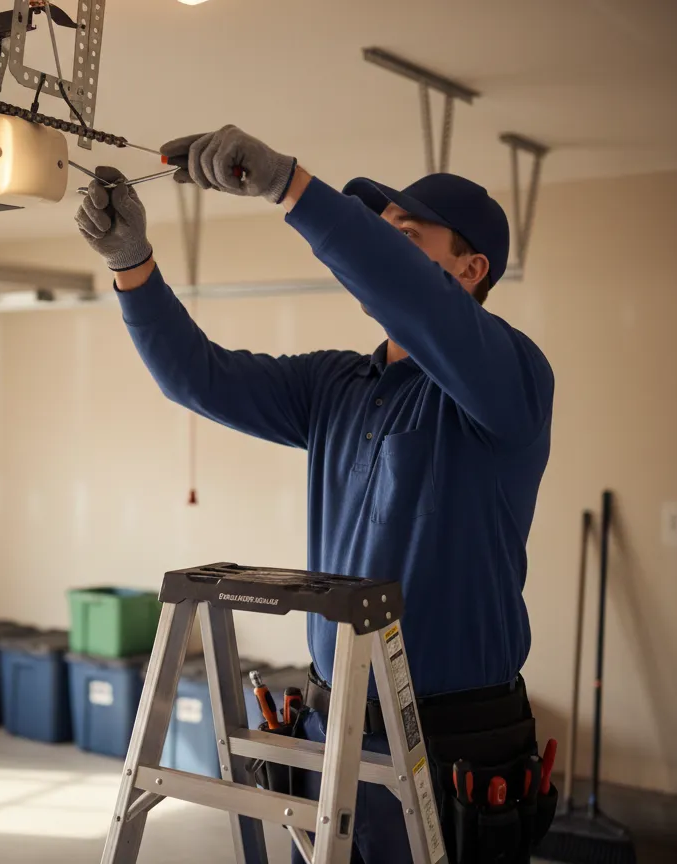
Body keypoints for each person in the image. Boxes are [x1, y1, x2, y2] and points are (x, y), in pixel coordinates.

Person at [75, 125, 556, 863]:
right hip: (329, 726)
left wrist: (292, 188)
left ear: (469, 269)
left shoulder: (510, 381)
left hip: (452, 739)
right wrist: (131, 264)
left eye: (404, 235)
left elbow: (420, 307)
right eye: (378, 234)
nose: (382, 247)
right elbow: (197, 377)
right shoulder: (337, 385)